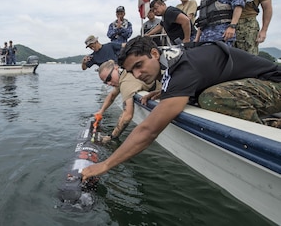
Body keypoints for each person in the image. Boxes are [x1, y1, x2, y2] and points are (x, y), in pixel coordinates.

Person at [81, 36, 281, 181]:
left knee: (211, 98)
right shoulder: (170, 60)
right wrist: (163, 92)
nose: (137, 74)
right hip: (251, 84)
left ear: (154, 53)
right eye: (132, 70)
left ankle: (273, 125)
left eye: (139, 65)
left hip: (273, 84)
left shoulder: (182, 68)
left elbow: (149, 130)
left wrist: (105, 165)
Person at [96, 60, 159, 143]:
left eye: (109, 78)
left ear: (116, 68)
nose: (109, 83)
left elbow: (127, 116)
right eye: (105, 82)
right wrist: (101, 111)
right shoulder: (123, 75)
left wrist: (111, 137)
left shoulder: (126, 83)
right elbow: (112, 95)